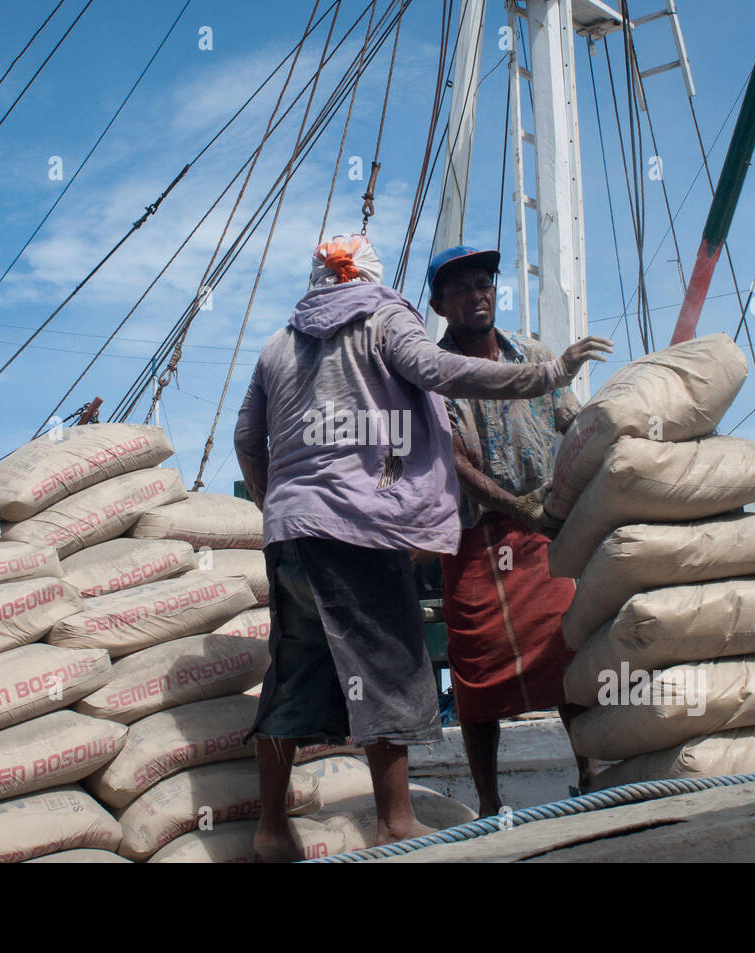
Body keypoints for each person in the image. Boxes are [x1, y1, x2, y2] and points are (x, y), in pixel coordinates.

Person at [234, 234, 608, 861]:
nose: (474, 294)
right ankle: (396, 823)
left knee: (292, 676)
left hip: (291, 536)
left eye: (482, 283)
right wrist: (547, 375)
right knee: (389, 664)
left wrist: (281, 503)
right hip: (357, 528)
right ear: (374, 282)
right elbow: (439, 372)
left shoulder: (278, 343)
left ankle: (271, 829)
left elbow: (248, 437)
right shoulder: (384, 319)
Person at [429, 245, 613, 816]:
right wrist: (514, 505)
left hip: (541, 536)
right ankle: (488, 804)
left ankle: (592, 774)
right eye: (461, 288)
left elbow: (572, 423)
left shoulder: (532, 355)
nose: (476, 294)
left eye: (484, 282)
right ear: (439, 304)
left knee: (566, 652)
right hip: (473, 540)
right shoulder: (430, 375)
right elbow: (453, 462)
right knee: (477, 673)